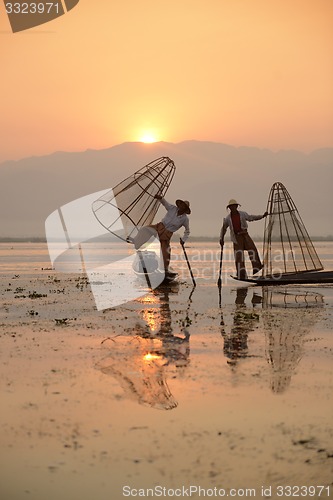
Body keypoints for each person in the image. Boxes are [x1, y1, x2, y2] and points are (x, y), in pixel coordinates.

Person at [129, 195, 191, 278]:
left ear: (185, 209)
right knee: (145, 229)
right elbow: (165, 203)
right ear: (179, 205)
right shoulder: (172, 208)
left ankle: (165, 270)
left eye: (184, 206)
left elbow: (187, 231)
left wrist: (183, 240)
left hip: (167, 234)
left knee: (165, 251)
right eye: (181, 205)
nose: (181, 207)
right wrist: (160, 198)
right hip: (159, 227)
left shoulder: (185, 219)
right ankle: (136, 241)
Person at [219, 199, 268, 279]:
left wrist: (262, 216)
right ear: (230, 208)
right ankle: (241, 274)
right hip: (236, 238)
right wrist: (221, 238)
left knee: (253, 250)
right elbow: (223, 229)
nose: (233, 208)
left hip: (245, 235)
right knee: (239, 257)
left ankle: (257, 267)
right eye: (231, 207)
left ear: (236, 206)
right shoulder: (228, 218)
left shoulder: (242, 214)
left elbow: (251, 217)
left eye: (234, 206)